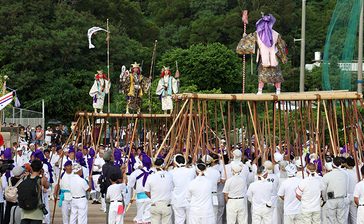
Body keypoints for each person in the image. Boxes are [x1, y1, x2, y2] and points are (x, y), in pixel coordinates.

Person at [237, 14, 288, 95]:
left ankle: (262, 90)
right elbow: (282, 46)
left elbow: (281, 46)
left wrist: (245, 38)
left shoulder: (258, 34)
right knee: (270, 75)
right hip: (272, 57)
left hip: (267, 57)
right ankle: (275, 90)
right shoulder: (275, 34)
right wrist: (283, 57)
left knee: (268, 75)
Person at [145, 158, 173, 224]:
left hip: (155, 204)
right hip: (166, 205)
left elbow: (146, 191)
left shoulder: (151, 177)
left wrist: (154, 198)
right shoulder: (169, 175)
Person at [20, 160, 50, 224]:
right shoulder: (41, 180)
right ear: (40, 168)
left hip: (25, 212)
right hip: (37, 213)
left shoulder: (25, 178)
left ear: (31, 168)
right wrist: (42, 174)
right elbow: (47, 186)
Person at [169, 154, 196, 224]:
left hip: (177, 200)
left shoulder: (171, 173)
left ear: (175, 162)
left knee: (179, 220)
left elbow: (171, 186)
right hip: (189, 200)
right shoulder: (191, 171)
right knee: (190, 220)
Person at [128, 153, 153, 224]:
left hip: (140, 197)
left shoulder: (136, 172)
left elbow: (130, 185)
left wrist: (129, 197)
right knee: (147, 218)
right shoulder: (153, 172)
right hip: (150, 197)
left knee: (139, 217)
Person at [322, 157, 348, 224]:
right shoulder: (344, 174)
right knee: (342, 219)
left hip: (331, 199)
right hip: (342, 198)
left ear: (332, 164)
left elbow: (323, 190)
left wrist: (324, 199)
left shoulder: (327, 176)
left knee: (331, 219)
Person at [101, 150, 122, 222]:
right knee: (119, 216)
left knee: (109, 214)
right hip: (116, 193)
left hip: (108, 192)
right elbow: (120, 178)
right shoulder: (115, 167)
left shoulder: (104, 167)